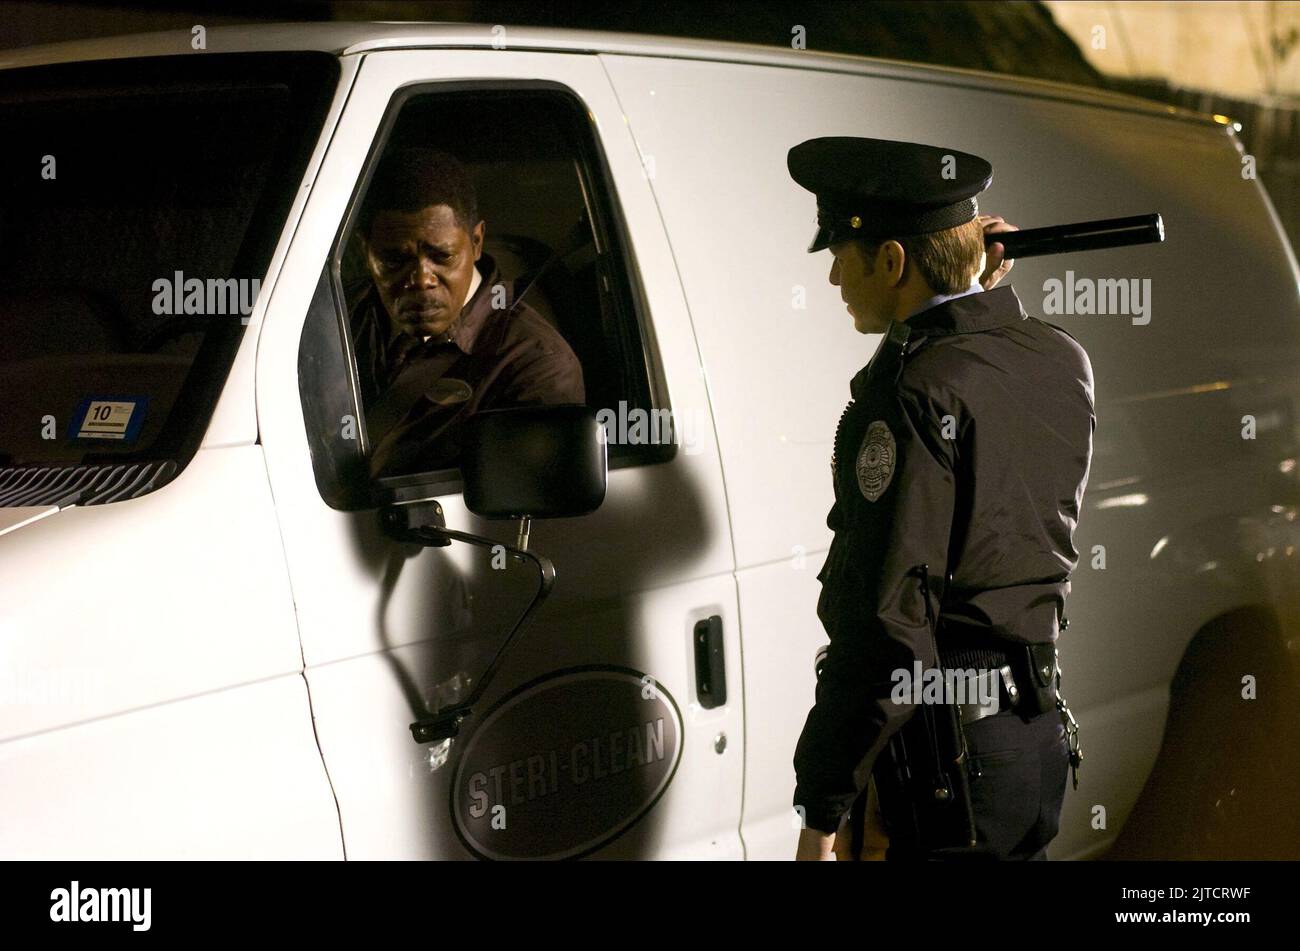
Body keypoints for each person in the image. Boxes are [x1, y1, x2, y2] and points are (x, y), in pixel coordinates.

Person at [786, 136, 1095, 861]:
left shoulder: (911, 394)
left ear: (892, 261)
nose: (832, 277)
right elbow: (957, 355)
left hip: (945, 772)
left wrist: (821, 810)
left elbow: (890, 626)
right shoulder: (1060, 356)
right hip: (1032, 745)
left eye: (842, 254)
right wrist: (973, 294)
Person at [349, 147, 585, 477]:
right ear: (365, 251)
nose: (420, 280)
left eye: (442, 257)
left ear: (476, 242)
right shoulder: (335, 318)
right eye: (393, 261)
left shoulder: (535, 366)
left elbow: (526, 517)